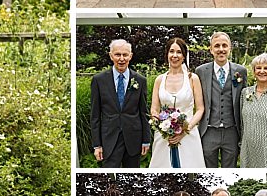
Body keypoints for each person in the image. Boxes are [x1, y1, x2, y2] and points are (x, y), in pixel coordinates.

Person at [90, 39, 150, 168]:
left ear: (131, 56)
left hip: (133, 138)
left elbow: (144, 112)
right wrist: (97, 145)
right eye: (117, 54)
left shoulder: (140, 80)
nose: (121, 59)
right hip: (109, 138)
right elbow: (95, 115)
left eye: (125, 55)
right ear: (111, 56)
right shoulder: (98, 80)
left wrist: (146, 140)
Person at [148, 38, 205, 169]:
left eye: (179, 52)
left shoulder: (193, 78)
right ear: (167, 54)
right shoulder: (159, 80)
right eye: (171, 51)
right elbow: (154, 109)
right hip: (164, 136)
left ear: (184, 55)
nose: (175, 55)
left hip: (188, 135)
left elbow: (200, 109)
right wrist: (162, 127)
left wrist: (185, 130)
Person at [193, 32, 246, 168]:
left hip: (232, 131)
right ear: (211, 50)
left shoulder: (241, 71)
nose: (221, 49)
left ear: (230, 49)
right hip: (209, 130)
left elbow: (244, 100)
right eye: (217, 46)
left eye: (224, 45)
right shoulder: (201, 71)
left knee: (231, 167)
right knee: (207, 167)